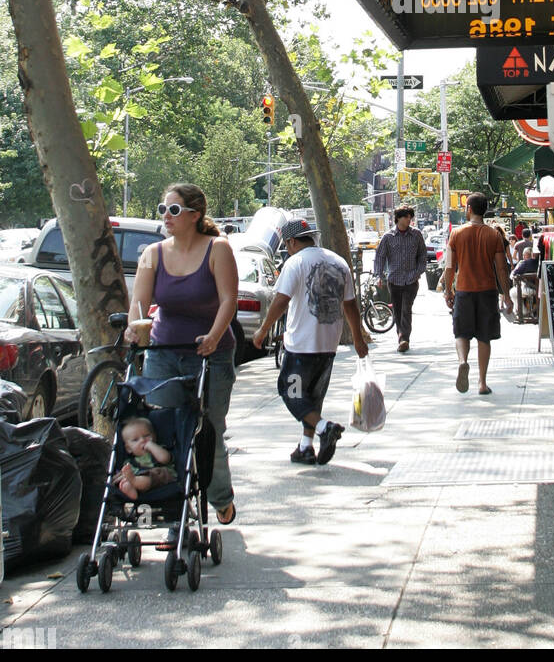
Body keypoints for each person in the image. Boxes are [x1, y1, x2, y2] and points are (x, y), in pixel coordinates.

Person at [127, 183, 239, 525]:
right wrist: (135, 326)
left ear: (194, 215)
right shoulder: (153, 253)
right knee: (166, 426)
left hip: (211, 354)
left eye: (173, 210)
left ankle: (220, 496)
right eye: (163, 209)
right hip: (163, 351)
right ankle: (174, 499)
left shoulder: (217, 249)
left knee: (209, 427)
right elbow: (139, 303)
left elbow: (228, 300)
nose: (166, 216)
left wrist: (214, 336)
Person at [251, 218, 368, 465]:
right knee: (312, 398)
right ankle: (305, 447)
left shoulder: (295, 263)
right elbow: (350, 305)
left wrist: (263, 330)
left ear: (292, 241)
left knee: (291, 391)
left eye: (286, 245)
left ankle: (325, 428)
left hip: (301, 346)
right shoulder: (339, 262)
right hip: (328, 345)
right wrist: (358, 339)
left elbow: (280, 301)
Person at [443, 193, 512, 395]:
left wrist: (448, 290)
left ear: (469, 209)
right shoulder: (494, 235)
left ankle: (463, 361)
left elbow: (449, 267)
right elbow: (501, 269)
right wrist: (506, 295)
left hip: (464, 290)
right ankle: (482, 382)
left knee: (461, 332)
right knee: (484, 337)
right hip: (487, 291)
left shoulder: (456, 234)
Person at [373, 205, 427, 353]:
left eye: (410, 217)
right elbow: (380, 257)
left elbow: (423, 256)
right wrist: (379, 275)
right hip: (394, 280)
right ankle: (400, 336)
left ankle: (405, 339)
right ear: (398, 218)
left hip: (411, 279)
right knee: (397, 310)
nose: (409, 219)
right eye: (406, 216)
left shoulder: (416, 235)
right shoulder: (388, 237)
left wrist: (418, 272)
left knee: (406, 309)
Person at [113, 417, 176, 500]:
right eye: (136, 440)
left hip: (162, 478)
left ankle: (134, 482)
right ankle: (132, 491)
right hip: (140, 483)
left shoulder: (159, 450)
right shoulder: (129, 463)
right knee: (125, 480)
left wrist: (151, 446)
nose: (143, 440)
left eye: (146, 436)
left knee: (152, 475)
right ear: (128, 448)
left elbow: (164, 459)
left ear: (154, 437)